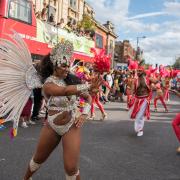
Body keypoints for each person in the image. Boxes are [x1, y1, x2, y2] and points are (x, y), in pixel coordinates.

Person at [23, 40, 101, 180]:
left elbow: (89, 98)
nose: (67, 69)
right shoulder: (48, 84)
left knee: (71, 168)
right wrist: (87, 86)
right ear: (54, 66)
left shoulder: (70, 80)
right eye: (63, 66)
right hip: (51, 126)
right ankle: (26, 178)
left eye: (68, 66)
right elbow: (64, 91)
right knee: (38, 159)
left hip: (71, 125)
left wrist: (84, 113)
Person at [129, 67, 154, 137]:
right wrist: (131, 96)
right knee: (137, 115)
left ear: (143, 71)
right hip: (137, 99)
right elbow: (132, 89)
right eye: (138, 71)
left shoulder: (148, 79)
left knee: (140, 115)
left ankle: (140, 130)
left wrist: (156, 82)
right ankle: (139, 129)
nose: (138, 72)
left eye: (140, 71)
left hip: (144, 100)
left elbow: (156, 82)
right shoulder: (136, 80)